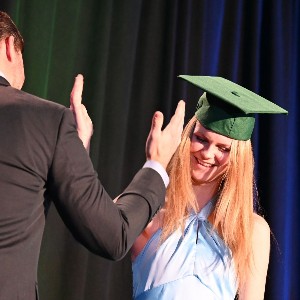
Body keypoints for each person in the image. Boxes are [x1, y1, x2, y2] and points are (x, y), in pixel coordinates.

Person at [0, 10, 185, 299]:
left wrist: (71, 150)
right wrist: (157, 164)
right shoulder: (46, 119)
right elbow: (113, 236)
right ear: (9, 47)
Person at [129, 75, 288, 299]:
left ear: (238, 159)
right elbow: (97, 222)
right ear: (188, 136)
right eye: (201, 139)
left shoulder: (250, 230)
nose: (207, 153)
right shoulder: (149, 211)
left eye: (223, 148)